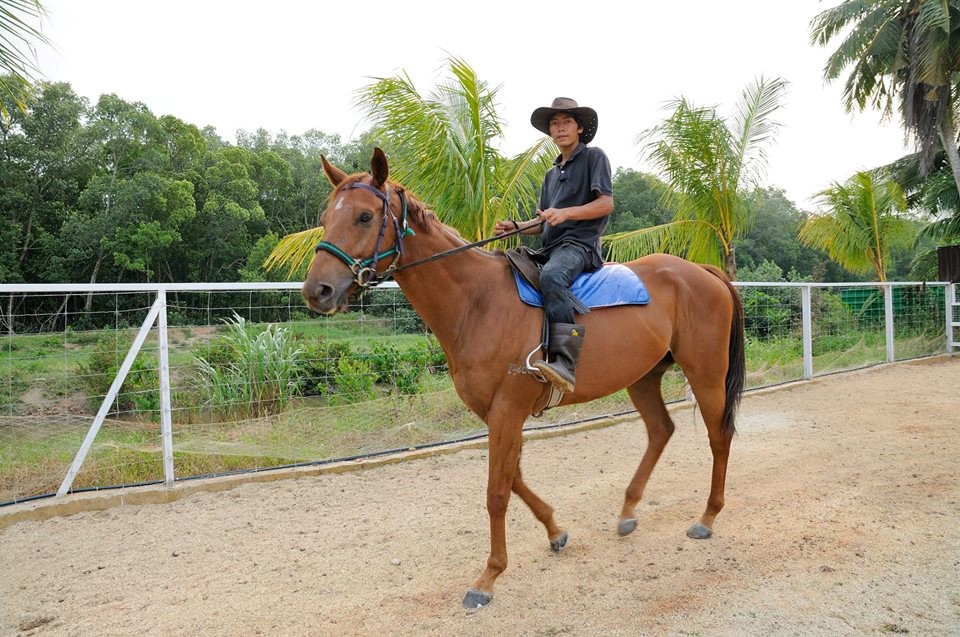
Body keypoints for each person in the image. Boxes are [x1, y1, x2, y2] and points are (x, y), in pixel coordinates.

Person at [495, 97, 614, 394]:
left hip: (580, 246)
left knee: (551, 277)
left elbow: (606, 204)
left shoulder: (594, 157)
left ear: (579, 128)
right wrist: (517, 227)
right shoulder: (551, 173)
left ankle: (565, 360)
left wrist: (567, 213)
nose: (560, 128)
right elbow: (543, 221)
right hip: (551, 247)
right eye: (554, 123)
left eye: (566, 122)